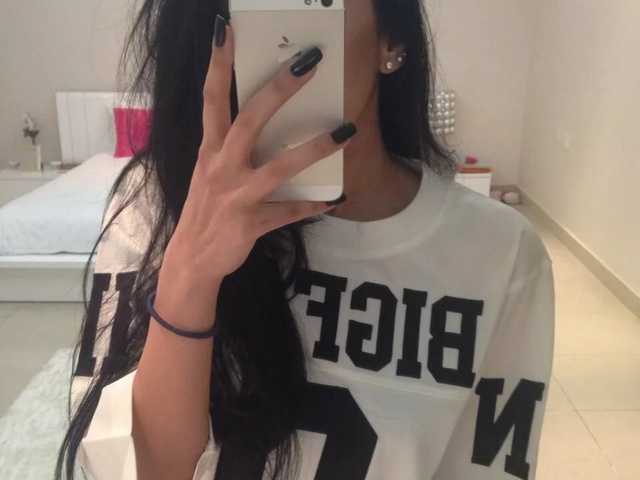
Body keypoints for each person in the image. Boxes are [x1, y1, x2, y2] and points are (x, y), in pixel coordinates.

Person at [55, 1, 555, 479]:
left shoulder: (496, 252)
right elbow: (136, 471)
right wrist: (190, 279)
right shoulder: (158, 207)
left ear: (390, 37)